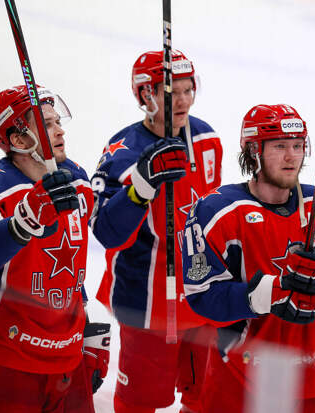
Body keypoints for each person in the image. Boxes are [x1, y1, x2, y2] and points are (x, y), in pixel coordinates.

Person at [182, 103, 315, 413]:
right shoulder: (217, 212)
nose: (291, 156)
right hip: (238, 378)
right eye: (280, 146)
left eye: (297, 146)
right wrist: (267, 293)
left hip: (311, 376)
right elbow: (201, 296)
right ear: (254, 150)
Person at [0, 85, 109, 412]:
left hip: (65, 353)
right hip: (4, 356)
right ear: (19, 140)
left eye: (57, 121)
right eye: (48, 124)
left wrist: (84, 326)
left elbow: (70, 265)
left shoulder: (77, 180)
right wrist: (25, 218)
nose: (60, 130)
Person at [90, 49, 222, 413]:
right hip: (146, 303)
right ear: (145, 95)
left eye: (188, 89)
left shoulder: (207, 137)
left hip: (202, 292)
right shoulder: (122, 152)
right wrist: (141, 187)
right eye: (171, 92)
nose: (183, 101)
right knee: (140, 402)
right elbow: (106, 232)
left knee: (207, 398)